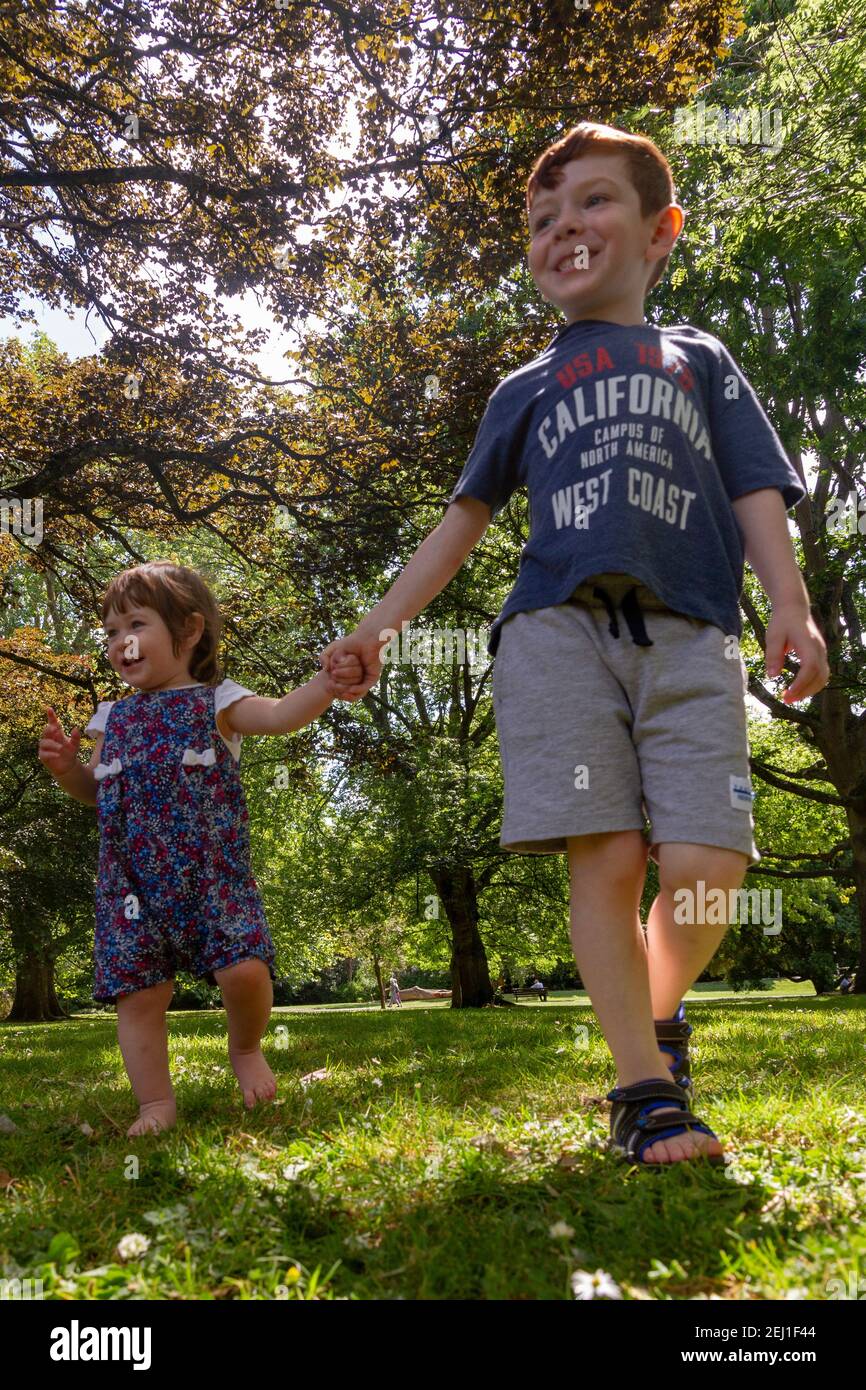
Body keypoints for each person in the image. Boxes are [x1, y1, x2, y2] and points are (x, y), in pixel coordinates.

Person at [319, 121, 829, 1167]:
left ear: (658, 231)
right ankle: (644, 1092)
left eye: (592, 202)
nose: (563, 228)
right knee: (605, 854)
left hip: (692, 634)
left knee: (703, 863)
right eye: (542, 219)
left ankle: (648, 1019)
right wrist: (378, 629)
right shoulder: (523, 387)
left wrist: (791, 598)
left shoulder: (700, 360)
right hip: (553, 633)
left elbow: (752, 488)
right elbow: (460, 521)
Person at [38, 560, 361, 1138]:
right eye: (110, 632)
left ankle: (245, 1049)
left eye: (134, 625)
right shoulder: (112, 718)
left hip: (212, 876)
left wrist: (325, 684)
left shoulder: (219, 702)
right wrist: (66, 769)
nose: (119, 642)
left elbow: (283, 716)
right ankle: (155, 1104)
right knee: (137, 996)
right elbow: (95, 791)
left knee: (244, 971)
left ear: (187, 632)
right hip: (131, 887)